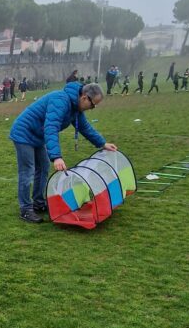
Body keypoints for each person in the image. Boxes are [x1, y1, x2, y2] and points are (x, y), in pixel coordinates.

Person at [9, 81, 117, 224]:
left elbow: (85, 128)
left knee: (43, 167)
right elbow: (51, 127)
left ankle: (38, 203)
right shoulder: (61, 101)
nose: (92, 108)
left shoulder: (75, 108)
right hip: (24, 133)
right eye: (93, 105)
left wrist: (102, 143)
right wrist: (57, 157)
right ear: (84, 97)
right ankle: (26, 209)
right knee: (27, 170)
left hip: (37, 135)